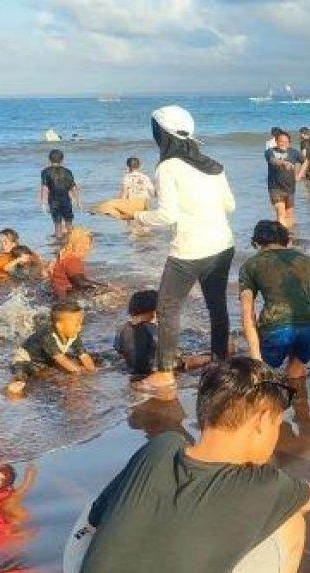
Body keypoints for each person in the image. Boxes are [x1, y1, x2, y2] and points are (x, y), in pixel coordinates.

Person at [50, 358, 310, 573]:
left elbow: (95, 520)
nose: (276, 435)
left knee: (105, 502)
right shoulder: (266, 485)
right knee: (291, 525)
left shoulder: (161, 446)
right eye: (276, 424)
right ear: (261, 420)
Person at [137, 105, 236, 392]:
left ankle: (165, 373)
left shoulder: (167, 167)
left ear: (161, 134)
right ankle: (219, 362)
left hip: (189, 250)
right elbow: (230, 205)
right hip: (222, 245)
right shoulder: (214, 165)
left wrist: (139, 217)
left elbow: (167, 215)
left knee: (167, 308)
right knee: (216, 306)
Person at [240, 220, 310, 379]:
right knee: (297, 364)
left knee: (260, 374)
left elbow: (248, 313)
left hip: (277, 328)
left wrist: (256, 358)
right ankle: (298, 398)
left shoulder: (250, 265)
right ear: (287, 241)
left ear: (256, 243)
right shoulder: (308, 261)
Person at [115, 290, 212, 380]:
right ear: (156, 312)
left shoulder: (121, 330)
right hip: (156, 371)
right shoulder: (155, 332)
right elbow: (181, 363)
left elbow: (119, 352)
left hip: (133, 369)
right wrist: (211, 357)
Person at [6, 300, 96, 396]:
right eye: (76, 325)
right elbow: (61, 359)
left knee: (72, 363)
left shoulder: (73, 334)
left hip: (46, 359)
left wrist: (92, 370)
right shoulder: (47, 335)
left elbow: (84, 355)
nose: (79, 328)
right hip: (26, 359)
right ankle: (13, 388)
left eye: (81, 324)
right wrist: (79, 372)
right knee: (24, 373)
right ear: (59, 326)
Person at [90, 157, 156, 222]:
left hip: (131, 204)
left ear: (128, 166)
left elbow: (124, 194)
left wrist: (121, 205)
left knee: (132, 224)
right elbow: (152, 192)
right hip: (143, 204)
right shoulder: (145, 177)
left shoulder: (127, 177)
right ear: (139, 166)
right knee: (143, 224)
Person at [48, 227, 105, 299]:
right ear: (79, 244)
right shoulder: (72, 260)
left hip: (58, 296)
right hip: (67, 301)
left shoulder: (62, 256)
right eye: (88, 244)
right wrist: (107, 288)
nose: (89, 248)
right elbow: (81, 283)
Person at [264, 130, 305, 229]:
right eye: (281, 141)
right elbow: (273, 160)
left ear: (289, 143)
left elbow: (305, 161)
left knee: (290, 213)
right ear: (276, 141)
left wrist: (300, 174)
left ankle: (290, 236)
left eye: (286, 142)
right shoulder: (270, 152)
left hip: (290, 187)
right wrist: (284, 163)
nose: (283, 144)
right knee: (280, 212)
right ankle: (282, 236)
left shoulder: (294, 152)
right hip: (275, 188)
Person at [39, 149, 81, 237]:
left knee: (57, 223)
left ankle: (58, 242)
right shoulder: (67, 172)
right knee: (69, 222)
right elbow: (73, 187)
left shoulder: (45, 172)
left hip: (53, 200)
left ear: (49, 159)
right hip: (66, 200)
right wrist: (78, 201)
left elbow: (44, 187)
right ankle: (71, 239)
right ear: (62, 159)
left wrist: (43, 202)